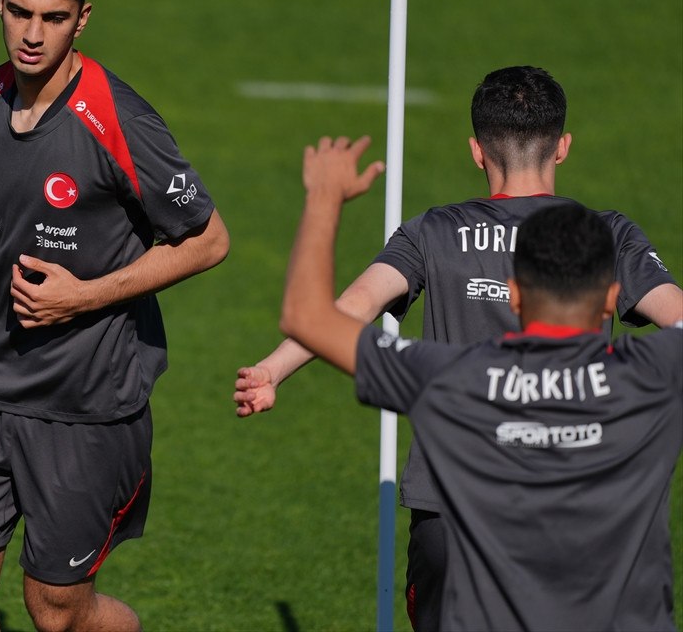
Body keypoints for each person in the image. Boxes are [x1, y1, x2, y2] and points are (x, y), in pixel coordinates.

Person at [233, 65, 682, 629]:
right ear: (562, 146)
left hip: (454, 517)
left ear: (477, 150)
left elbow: (339, 310)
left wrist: (273, 367)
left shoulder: (448, 350)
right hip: (595, 534)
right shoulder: (617, 267)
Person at [0, 0, 229, 632]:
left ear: (82, 19)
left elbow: (208, 239)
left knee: (55, 611)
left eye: (53, 18)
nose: (32, 34)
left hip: (86, 402)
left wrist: (83, 297)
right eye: (20, 12)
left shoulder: (119, 118)